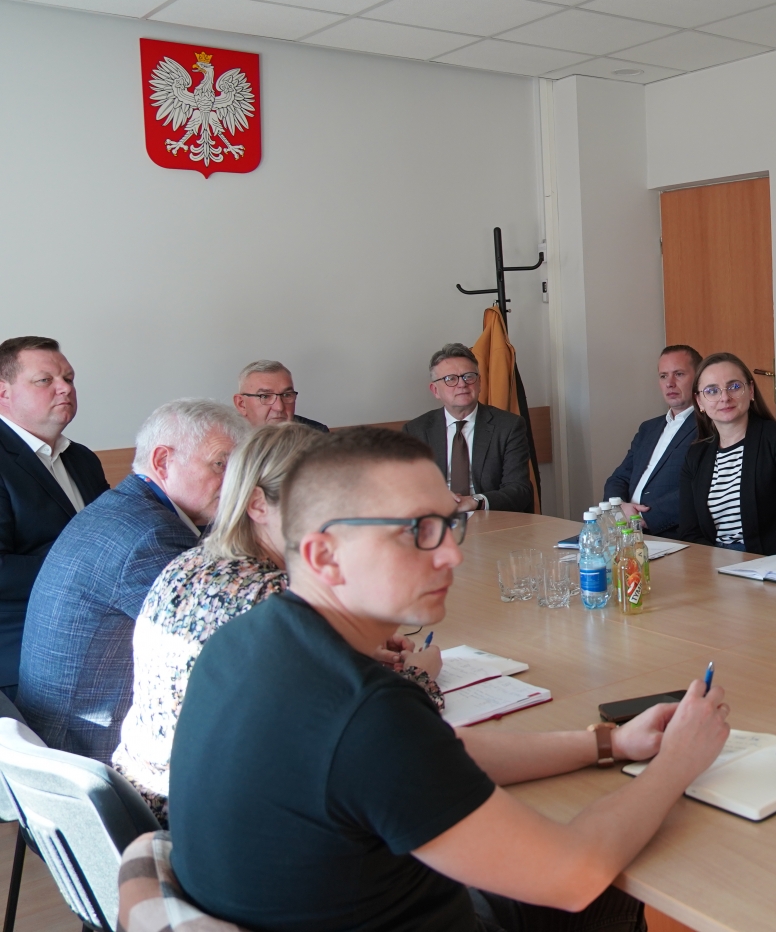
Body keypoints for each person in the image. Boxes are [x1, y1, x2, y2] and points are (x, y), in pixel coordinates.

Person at [167, 427, 731, 931]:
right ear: (325, 556)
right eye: (417, 532)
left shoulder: (246, 640)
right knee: (613, 886)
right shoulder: (364, 712)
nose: (452, 556)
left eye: (449, 523)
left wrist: (608, 743)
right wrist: (677, 762)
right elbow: (573, 875)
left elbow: (438, 751)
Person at [113, 423, 329, 823]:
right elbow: (348, 717)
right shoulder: (273, 594)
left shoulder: (190, 561)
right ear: (258, 504)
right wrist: (420, 673)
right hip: (204, 820)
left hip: (142, 801)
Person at [17, 399, 247, 760]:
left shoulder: (124, 507)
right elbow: (224, 649)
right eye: (220, 464)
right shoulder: (151, 534)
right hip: (89, 754)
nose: (234, 481)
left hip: (55, 738)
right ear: (162, 461)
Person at [0, 336, 109, 700]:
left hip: (96, 642)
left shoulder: (82, 459)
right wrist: (83, 572)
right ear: (3, 393)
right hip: (20, 659)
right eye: (45, 380)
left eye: (69, 378)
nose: (65, 388)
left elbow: (110, 539)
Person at [678, 353, 776, 555]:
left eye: (734, 386)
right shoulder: (695, 455)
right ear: (699, 401)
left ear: (751, 390)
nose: (724, 398)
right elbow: (689, 532)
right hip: (714, 564)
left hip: (773, 563)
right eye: (712, 391)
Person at [404, 344, 534, 513]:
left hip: (490, 518)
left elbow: (519, 490)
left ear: (479, 383)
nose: (462, 384)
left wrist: (476, 502)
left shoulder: (508, 426)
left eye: (469, 376)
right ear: (435, 390)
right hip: (437, 518)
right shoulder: (415, 431)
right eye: (450, 379)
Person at [602, 345, 700, 537]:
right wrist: (618, 507)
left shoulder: (709, 427)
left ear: (699, 378)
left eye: (679, 374)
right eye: (663, 376)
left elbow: (700, 488)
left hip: (669, 533)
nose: (669, 383)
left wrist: (642, 517)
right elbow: (619, 478)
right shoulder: (648, 428)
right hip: (625, 528)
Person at [232, 359, 329, 432]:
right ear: (241, 404)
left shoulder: (316, 434)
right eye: (265, 396)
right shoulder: (227, 441)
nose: (279, 407)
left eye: (286, 395)